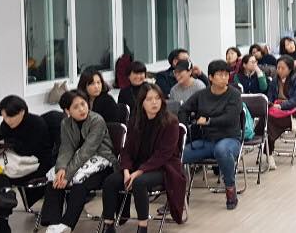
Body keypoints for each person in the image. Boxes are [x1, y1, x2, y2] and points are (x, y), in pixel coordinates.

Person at [100, 83, 186, 233]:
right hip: (137, 166)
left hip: (163, 167)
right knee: (110, 182)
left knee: (139, 182)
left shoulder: (171, 122)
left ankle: (142, 227)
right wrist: (126, 170)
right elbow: (126, 150)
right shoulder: (135, 120)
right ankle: (108, 225)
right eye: (149, 99)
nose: (154, 102)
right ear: (142, 102)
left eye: (157, 98)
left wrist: (139, 172)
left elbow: (163, 154)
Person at [40, 90, 117, 233]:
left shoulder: (97, 120)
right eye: (76, 107)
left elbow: (86, 151)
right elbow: (66, 148)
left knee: (79, 185)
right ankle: (53, 223)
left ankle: (67, 224)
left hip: (102, 163)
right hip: (78, 163)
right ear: (67, 111)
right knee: (56, 180)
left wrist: (68, 175)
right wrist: (62, 169)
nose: (82, 109)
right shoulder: (66, 123)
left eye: (83, 104)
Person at [179, 60, 244, 210]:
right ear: (211, 77)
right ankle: (177, 196)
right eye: (220, 75)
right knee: (178, 155)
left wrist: (209, 121)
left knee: (221, 150)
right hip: (207, 141)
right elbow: (183, 109)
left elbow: (230, 118)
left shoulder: (234, 94)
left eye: (226, 74)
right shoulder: (202, 95)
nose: (224, 78)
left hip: (230, 139)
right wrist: (185, 128)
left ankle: (230, 189)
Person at [0, 96, 54, 233]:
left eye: (10, 116)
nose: (7, 120)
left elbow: (30, 150)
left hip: (36, 165)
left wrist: (7, 146)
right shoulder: (5, 125)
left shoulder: (37, 124)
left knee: (0, 179)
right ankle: (6, 195)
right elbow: (3, 141)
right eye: (4, 117)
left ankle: (3, 215)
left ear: (22, 112)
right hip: (15, 164)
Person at [265, 55, 296, 170]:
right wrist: (271, 104)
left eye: (282, 68)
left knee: (268, 124)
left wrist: (281, 106)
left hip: (292, 110)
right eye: (278, 67)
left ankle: (269, 153)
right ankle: (269, 154)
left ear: (290, 69)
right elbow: (269, 97)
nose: (279, 70)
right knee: (266, 122)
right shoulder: (274, 81)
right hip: (276, 110)